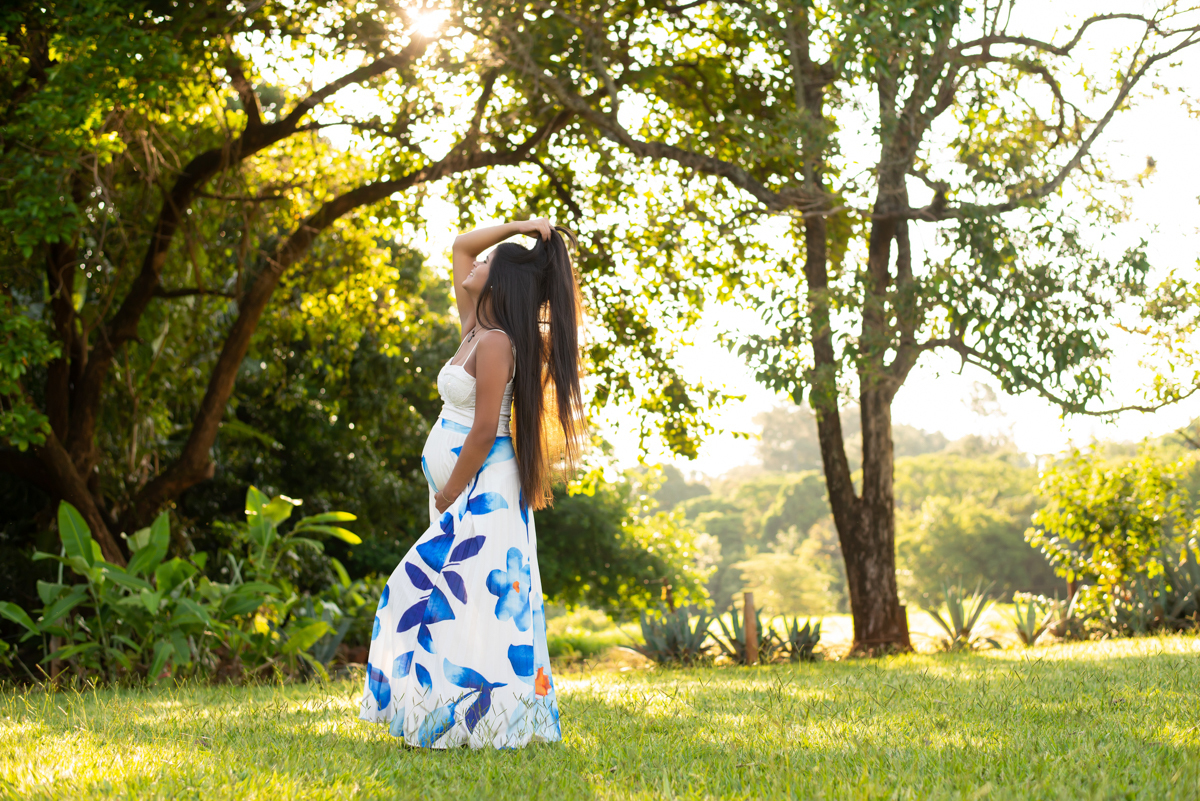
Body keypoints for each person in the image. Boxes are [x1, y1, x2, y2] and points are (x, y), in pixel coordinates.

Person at [358, 218, 586, 749]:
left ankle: (483, 722)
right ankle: (445, 716)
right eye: (483, 262)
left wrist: (450, 490)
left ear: (499, 282)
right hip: (462, 484)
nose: (475, 263)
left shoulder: (499, 343)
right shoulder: (474, 328)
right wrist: (527, 228)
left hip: (481, 484)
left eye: (489, 264)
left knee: (455, 598)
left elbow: (486, 429)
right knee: (450, 600)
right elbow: (461, 245)